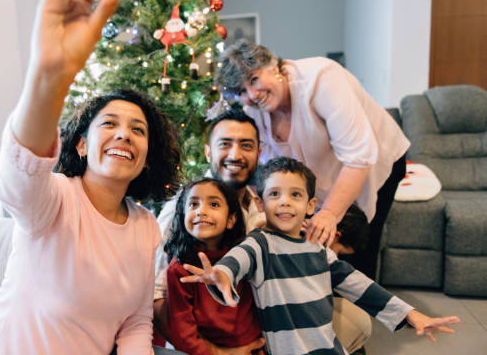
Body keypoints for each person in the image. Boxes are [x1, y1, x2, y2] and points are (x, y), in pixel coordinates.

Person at [0, 0, 183, 355]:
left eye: (138, 130)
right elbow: (19, 174)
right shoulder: (54, 201)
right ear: (82, 145)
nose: (124, 134)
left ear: (147, 158)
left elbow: (134, 321)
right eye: (110, 124)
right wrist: (49, 77)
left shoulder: (146, 227)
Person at [181, 157, 460, 355]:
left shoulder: (318, 248)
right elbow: (235, 261)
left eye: (295, 195)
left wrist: (410, 314)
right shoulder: (259, 244)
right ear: (259, 202)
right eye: (275, 194)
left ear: (311, 205)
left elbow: (360, 286)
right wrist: (221, 274)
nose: (285, 201)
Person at [153, 108, 371, 354]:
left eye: (246, 146)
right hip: (211, 342)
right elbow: (157, 301)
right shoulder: (182, 213)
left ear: (258, 154)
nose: (235, 154)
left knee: (356, 322)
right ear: (208, 151)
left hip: (264, 325)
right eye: (225, 144)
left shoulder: (261, 205)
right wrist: (219, 353)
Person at [215, 41, 410, 279]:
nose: (252, 94)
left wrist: (329, 213)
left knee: (357, 238)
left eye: (254, 79)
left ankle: (362, 308)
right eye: (241, 91)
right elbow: (266, 166)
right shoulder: (253, 112)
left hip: (374, 159)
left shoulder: (322, 80)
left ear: (273, 66)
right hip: (324, 170)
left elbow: (358, 157)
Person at [164, 178, 263, 355]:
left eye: (214, 204)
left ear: (231, 219)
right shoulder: (180, 268)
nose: (201, 211)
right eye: (193, 204)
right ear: (183, 216)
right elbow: (183, 332)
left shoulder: (245, 255)